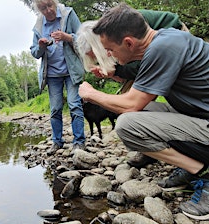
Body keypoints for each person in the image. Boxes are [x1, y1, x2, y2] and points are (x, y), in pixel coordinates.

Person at [78, 3, 209, 220]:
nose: (108, 55)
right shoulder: (165, 40)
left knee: (127, 124)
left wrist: (91, 94)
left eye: (110, 49)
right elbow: (140, 101)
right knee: (142, 111)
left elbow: (131, 104)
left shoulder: (163, 48)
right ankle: (193, 167)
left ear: (129, 42)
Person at [75, 9, 189, 168]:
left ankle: (188, 157)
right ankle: (151, 147)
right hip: (155, 51)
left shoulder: (124, 29)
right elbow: (131, 72)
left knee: (130, 107)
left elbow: (141, 67)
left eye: (96, 56)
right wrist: (113, 74)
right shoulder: (111, 36)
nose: (100, 58)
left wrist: (92, 94)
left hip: (175, 35)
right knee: (126, 105)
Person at [30, 0, 86, 155]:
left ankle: (79, 142)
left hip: (71, 71)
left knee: (75, 104)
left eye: (49, 5)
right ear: (39, 10)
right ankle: (57, 142)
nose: (48, 10)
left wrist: (67, 37)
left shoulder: (69, 15)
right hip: (52, 74)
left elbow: (84, 40)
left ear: (54, 3)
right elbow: (34, 52)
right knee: (55, 109)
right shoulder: (39, 26)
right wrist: (40, 46)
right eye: (43, 8)